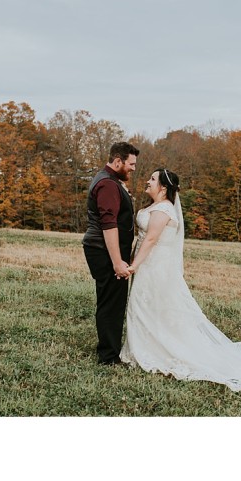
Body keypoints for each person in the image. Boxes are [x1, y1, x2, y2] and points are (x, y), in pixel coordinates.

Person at [121, 168, 241, 392]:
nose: (147, 181)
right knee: (148, 308)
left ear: (163, 188)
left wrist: (134, 265)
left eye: (152, 179)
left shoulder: (164, 209)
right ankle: (147, 347)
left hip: (155, 267)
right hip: (148, 265)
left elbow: (151, 239)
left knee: (153, 307)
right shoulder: (155, 206)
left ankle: (158, 351)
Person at [82, 142, 139, 365]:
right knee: (111, 303)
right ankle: (108, 357)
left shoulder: (110, 180)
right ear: (117, 161)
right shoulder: (107, 184)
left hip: (103, 250)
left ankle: (109, 350)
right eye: (131, 164)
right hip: (104, 251)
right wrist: (117, 261)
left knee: (111, 300)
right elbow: (109, 225)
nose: (133, 168)